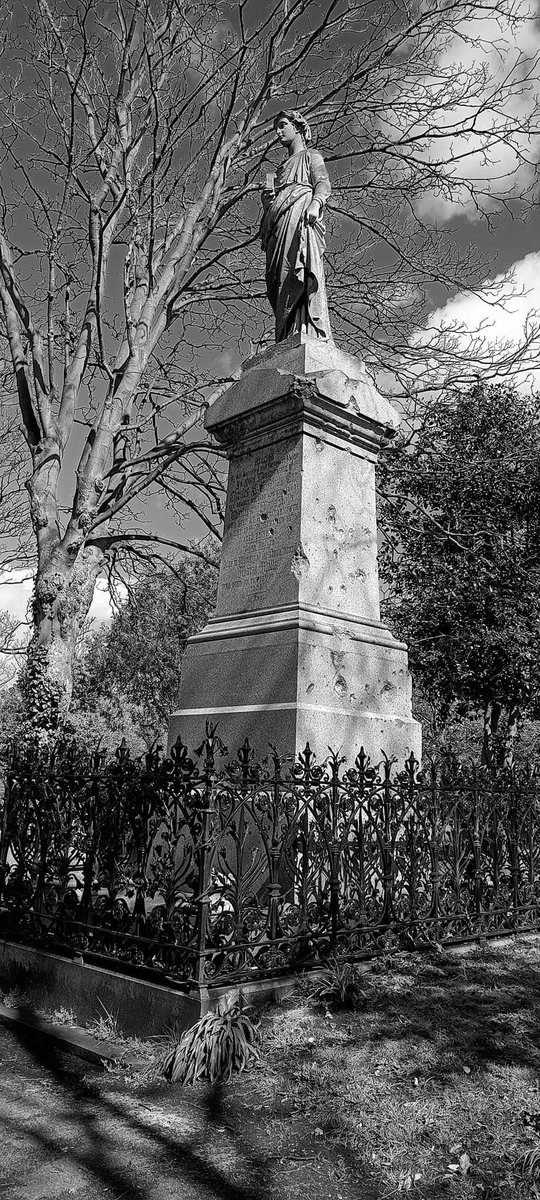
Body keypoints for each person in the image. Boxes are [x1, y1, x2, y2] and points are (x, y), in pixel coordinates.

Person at [261, 110, 332, 343]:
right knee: (276, 280)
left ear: (298, 126)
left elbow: (322, 184)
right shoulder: (279, 170)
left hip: (301, 216)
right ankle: (285, 335)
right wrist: (268, 203)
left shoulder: (311, 156)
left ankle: (304, 330)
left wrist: (315, 203)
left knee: (297, 270)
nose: (278, 132)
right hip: (279, 226)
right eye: (276, 128)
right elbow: (275, 204)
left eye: (282, 125)